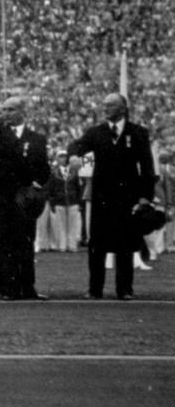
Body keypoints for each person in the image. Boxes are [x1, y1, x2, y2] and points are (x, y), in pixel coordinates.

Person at [68, 92, 158, 300]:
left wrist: (146, 196)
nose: (105, 108)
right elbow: (77, 145)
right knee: (96, 245)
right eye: (104, 104)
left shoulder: (138, 133)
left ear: (122, 108)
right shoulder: (96, 132)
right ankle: (94, 289)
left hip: (127, 197)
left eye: (110, 105)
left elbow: (147, 166)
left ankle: (125, 289)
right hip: (102, 197)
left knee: (125, 245)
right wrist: (74, 156)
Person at [0, 84, 50, 300]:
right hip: (2, 200)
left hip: (26, 200)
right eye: (4, 110)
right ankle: (10, 289)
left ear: (22, 111)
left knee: (26, 244)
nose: (6, 113)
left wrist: (39, 184)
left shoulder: (36, 139)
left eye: (10, 109)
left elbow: (43, 168)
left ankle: (28, 289)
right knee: (6, 244)